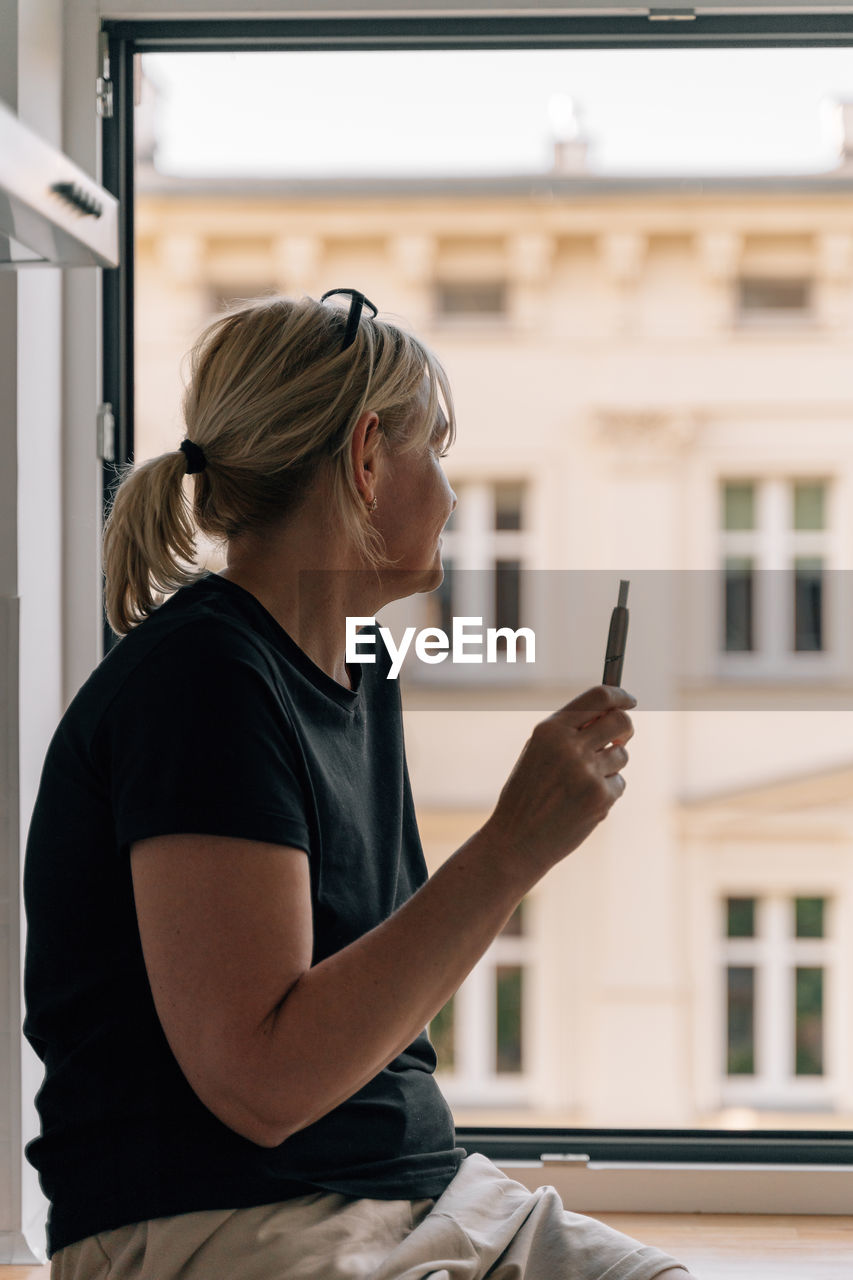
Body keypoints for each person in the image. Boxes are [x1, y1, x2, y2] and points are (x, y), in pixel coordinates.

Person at [23, 290, 694, 1279]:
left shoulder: (358, 671)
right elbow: (264, 1083)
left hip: (422, 1190)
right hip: (226, 1216)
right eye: (438, 448)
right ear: (368, 457)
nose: (455, 496)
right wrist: (512, 847)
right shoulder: (203, 679)